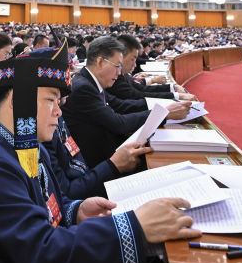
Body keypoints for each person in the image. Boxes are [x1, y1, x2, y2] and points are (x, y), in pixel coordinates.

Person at [0, 42, 199, 263]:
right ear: (18, 101)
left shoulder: (26, 146)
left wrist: (76, 210)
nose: (59, 112)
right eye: (51, 100)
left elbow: (45, 210)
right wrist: (135, 227)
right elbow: (43, 256)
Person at [62, 36, 188, 168]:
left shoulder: (90, 81)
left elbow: (120, 105)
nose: (119, 73)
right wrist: (163, 114)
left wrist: (163, 106)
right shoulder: (83, 87)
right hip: (99, 160)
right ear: (100, 62)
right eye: (117, 66)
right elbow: (119, 123)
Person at [46, 114, 150, 200]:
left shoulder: (56, 114)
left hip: (90, 181)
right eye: (50, 99)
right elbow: (66, 194)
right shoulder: (44, 133)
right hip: (85, 195)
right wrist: (114, 165)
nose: (58, 111)